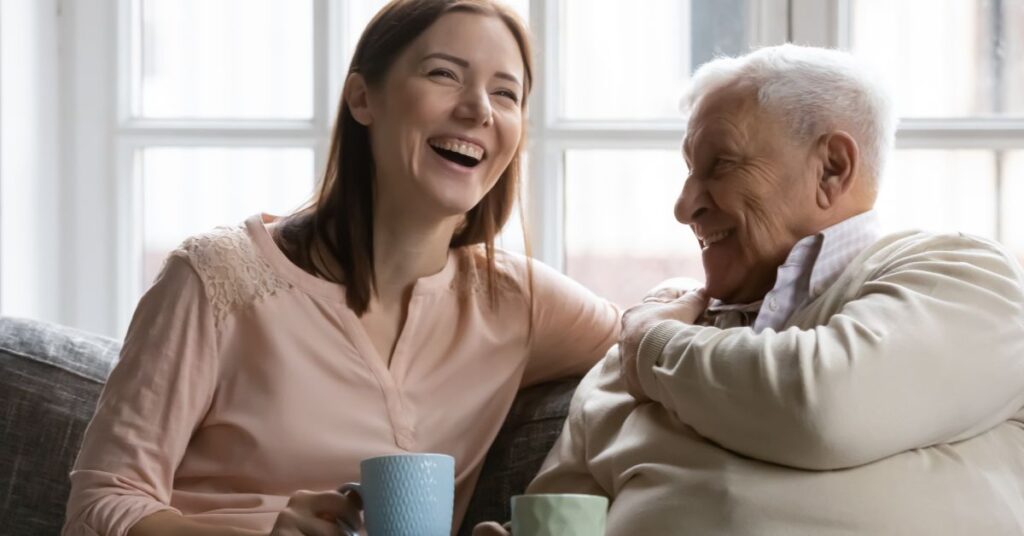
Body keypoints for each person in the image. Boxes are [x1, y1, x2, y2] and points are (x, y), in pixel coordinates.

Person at [63, 1, 620, 535]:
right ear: (362, 98)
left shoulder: (517, 302)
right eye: (444, 74)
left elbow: (654, 336)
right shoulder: (214, 278)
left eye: (506, 93)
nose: (479, 109)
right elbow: (101, 504)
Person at [476, 44, 1024, 535]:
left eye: (721, 166)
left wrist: (653, 346)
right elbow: (559, 511)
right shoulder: (646, 341)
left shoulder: (962, 276)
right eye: (689, 170)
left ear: (832, 168)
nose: (683, 205)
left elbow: (822, 408)